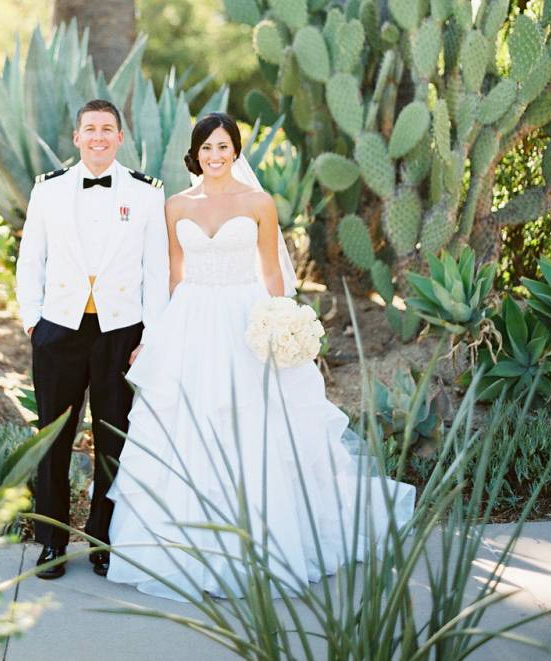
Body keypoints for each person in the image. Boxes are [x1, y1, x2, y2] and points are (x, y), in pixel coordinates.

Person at [106, 112, 415, 600]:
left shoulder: (258, 203)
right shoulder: (176, 206)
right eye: (207, 147)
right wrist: (155, 335)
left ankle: (267, 540)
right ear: (195, 152)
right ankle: (182, 545)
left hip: (245, 317)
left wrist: (285, 328)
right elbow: (172, 275)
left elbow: (273, 273)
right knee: (188, 420)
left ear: (236, 151)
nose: (215, 156)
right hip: (191, 321)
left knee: (256, 421)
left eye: (224, 146)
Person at [16, 99, 169, 579]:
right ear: (77, 138)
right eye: (90, 129)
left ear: (120, 138)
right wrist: (32, 322)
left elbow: (157, 271)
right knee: (53, 439)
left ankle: (103, 541)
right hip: (59, 329)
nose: (99, 137)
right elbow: (30, 259)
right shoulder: (49, 190)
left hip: (120, 332)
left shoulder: (147, 194)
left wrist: (152, 335)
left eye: (107, 129)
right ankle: (51, 544)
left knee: (112, 440)